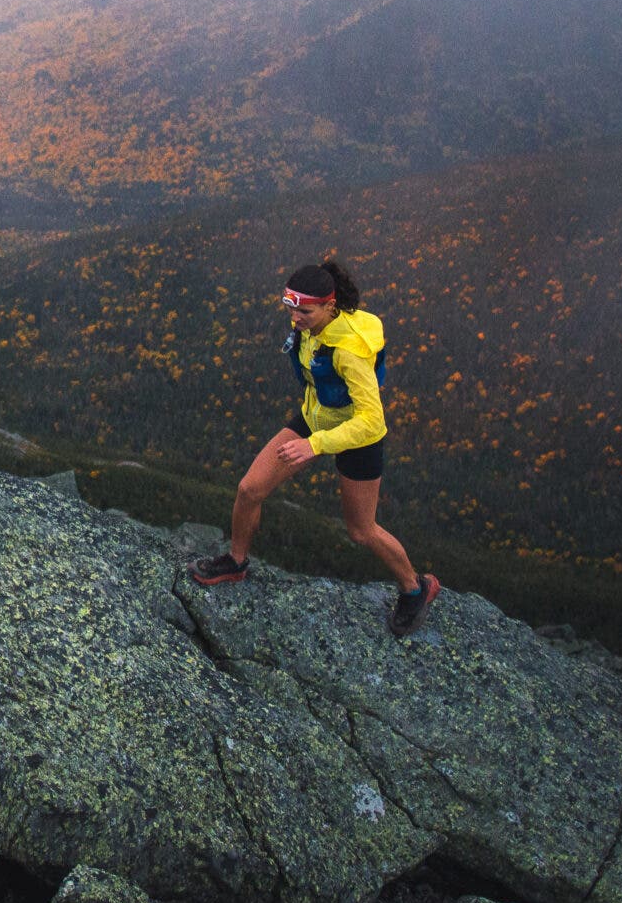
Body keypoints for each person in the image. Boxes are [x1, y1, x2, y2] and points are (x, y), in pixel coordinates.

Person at [188, 260, 443, 637]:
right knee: (249, 489)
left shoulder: (349, 351)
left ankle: (415, 588)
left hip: (357, 437)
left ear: (331, 306)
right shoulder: (311, 325)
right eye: (290, 308)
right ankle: (235, 562)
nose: (295, 318)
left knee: (361, 531)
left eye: (304, 311)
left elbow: (372, 420)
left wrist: (315, 444)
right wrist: (312, 434)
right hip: (316, 419)